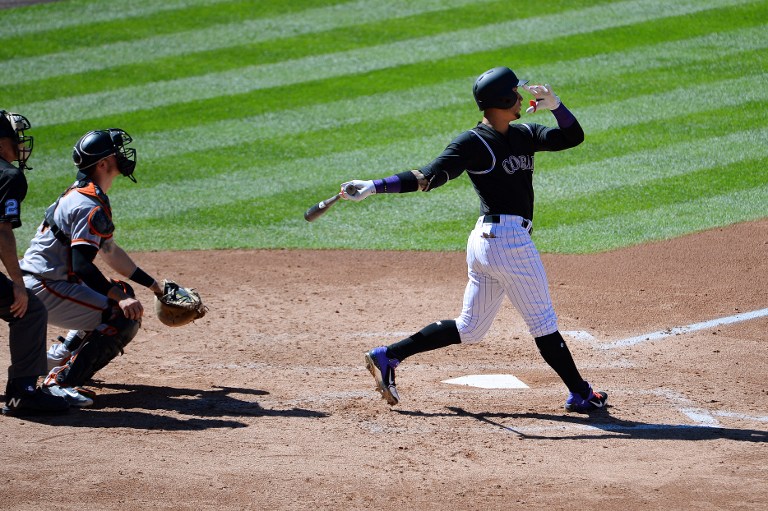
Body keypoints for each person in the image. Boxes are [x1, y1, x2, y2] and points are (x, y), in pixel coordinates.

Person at [340, 66, 608, 413]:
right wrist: (375, 186)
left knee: (470, 328)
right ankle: (581, 393)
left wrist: (556, 106)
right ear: (504, 99)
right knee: (543, 323)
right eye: (515, 92)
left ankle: (388, 355)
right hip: (507, 241)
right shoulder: (472, 142)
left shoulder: (524, 133)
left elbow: (572, 138)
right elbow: (429, 177)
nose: (521, 97)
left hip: (486, 242)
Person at [19, 128, 163, 407]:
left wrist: (154, 286)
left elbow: (109, 251)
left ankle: (59, 356)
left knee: (121, 290)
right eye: (116, 152)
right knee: (122, 315)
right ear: (103, 164)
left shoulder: (85, 194)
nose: (123, 155)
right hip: (44, 285)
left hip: (46, 279)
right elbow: (82, 265)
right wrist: (122, 300)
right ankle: (59, 383)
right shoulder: (88, 203)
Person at [0, 110, 69, 415]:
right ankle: (23, 395)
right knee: (30, 310)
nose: (19, 144)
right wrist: (17, 284)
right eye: (15, 139)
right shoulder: (9, 176)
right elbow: (1, 231)